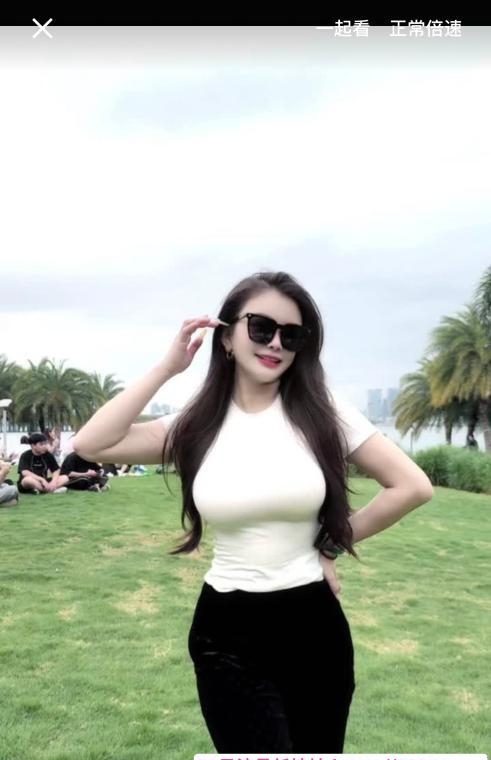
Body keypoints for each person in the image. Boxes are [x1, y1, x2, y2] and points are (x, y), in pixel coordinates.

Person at [73, 271, 434, 752]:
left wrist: (330, 546)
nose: (276, 343)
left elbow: (412, 486)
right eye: (261, 328)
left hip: (314, 629)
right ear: (226, 336)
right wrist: (167, 368)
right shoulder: (195, 424)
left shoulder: (323, 412)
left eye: (292, 334)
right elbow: (92, 443)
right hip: (227, 634)